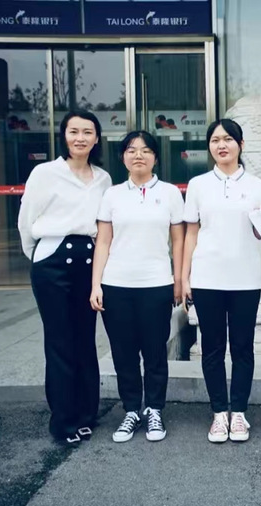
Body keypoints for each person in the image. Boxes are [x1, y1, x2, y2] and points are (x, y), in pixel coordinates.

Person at [18, 110, 111, 447]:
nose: (80, 138)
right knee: (60, 341)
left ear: (97, 138)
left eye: (87, 132)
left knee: (85, 339)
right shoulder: (45, 173)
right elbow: (26, 222)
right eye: (74, 131)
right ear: (64, 136)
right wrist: (40, 256)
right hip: (52, 262)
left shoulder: (103, 178)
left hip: (88, 262)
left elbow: (103, 227)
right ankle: (63, 420)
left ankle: (87, 414)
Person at [90, 131, 185, 443]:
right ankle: (131, 410)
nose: (138, 155)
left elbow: (178, 241)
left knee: (155, 352)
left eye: (145, 150)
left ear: (155, 157)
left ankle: (154, 409)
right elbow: (103, 242)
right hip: (116, 285)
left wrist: (178, 280)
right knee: (124, 353)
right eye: (131, 150)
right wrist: (96, 284)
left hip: (156, 284)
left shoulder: (170, 193)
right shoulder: (112, 195)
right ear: (123, 157)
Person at [181, 119, 261, 443]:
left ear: (240, 145)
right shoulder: (198, 184)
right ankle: (219, 413)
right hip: (207, 277)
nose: (222, 145)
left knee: (243, 347)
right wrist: (185, 277)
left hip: (246, 278)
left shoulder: (258, 186)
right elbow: (191, 233)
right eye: (215, 140)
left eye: (228, 139)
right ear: (209, 147)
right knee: (213, 348)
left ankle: (239, 412)